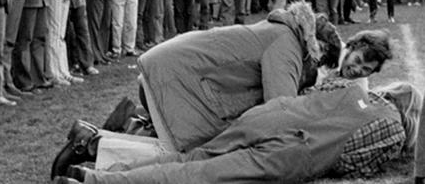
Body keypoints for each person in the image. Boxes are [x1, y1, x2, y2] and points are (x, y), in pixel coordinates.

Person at [53, 82, 421, 184]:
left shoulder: (357, 89)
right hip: (294, 150)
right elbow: (352, 164)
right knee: (198, 174)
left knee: (192, 158)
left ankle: (98, 170)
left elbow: (312, 95)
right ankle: (99, 181)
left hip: (272, 114)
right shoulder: (390, 126)